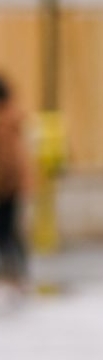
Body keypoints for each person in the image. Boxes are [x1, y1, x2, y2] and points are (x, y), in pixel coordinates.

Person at [0, 75, 30, 286]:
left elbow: (8, 158)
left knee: (7, 230)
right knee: (11, 229)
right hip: (13, 185)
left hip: (7, 184)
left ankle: (15, 272)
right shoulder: (15, 118)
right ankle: (17, 271)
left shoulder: (6, 120)